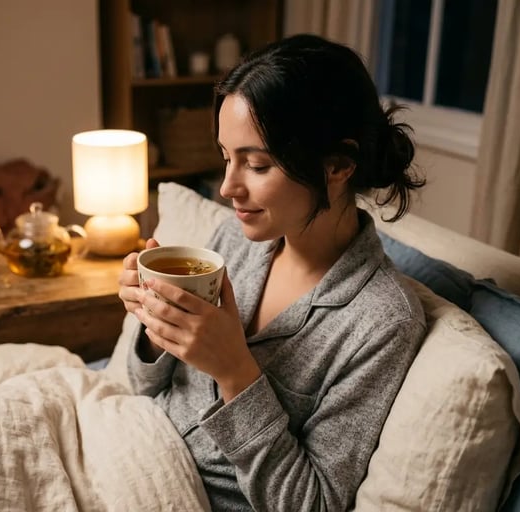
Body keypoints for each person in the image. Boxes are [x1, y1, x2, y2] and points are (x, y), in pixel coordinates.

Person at [117, 33, 427, 511]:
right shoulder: (232, 246)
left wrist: (236, 372)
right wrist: (156, 327)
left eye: (256, 165)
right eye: (226, 157)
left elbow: (314, 503)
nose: (226, 187)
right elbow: (142, 386)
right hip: (125, 445)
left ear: (338, 165)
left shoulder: (381, 322)